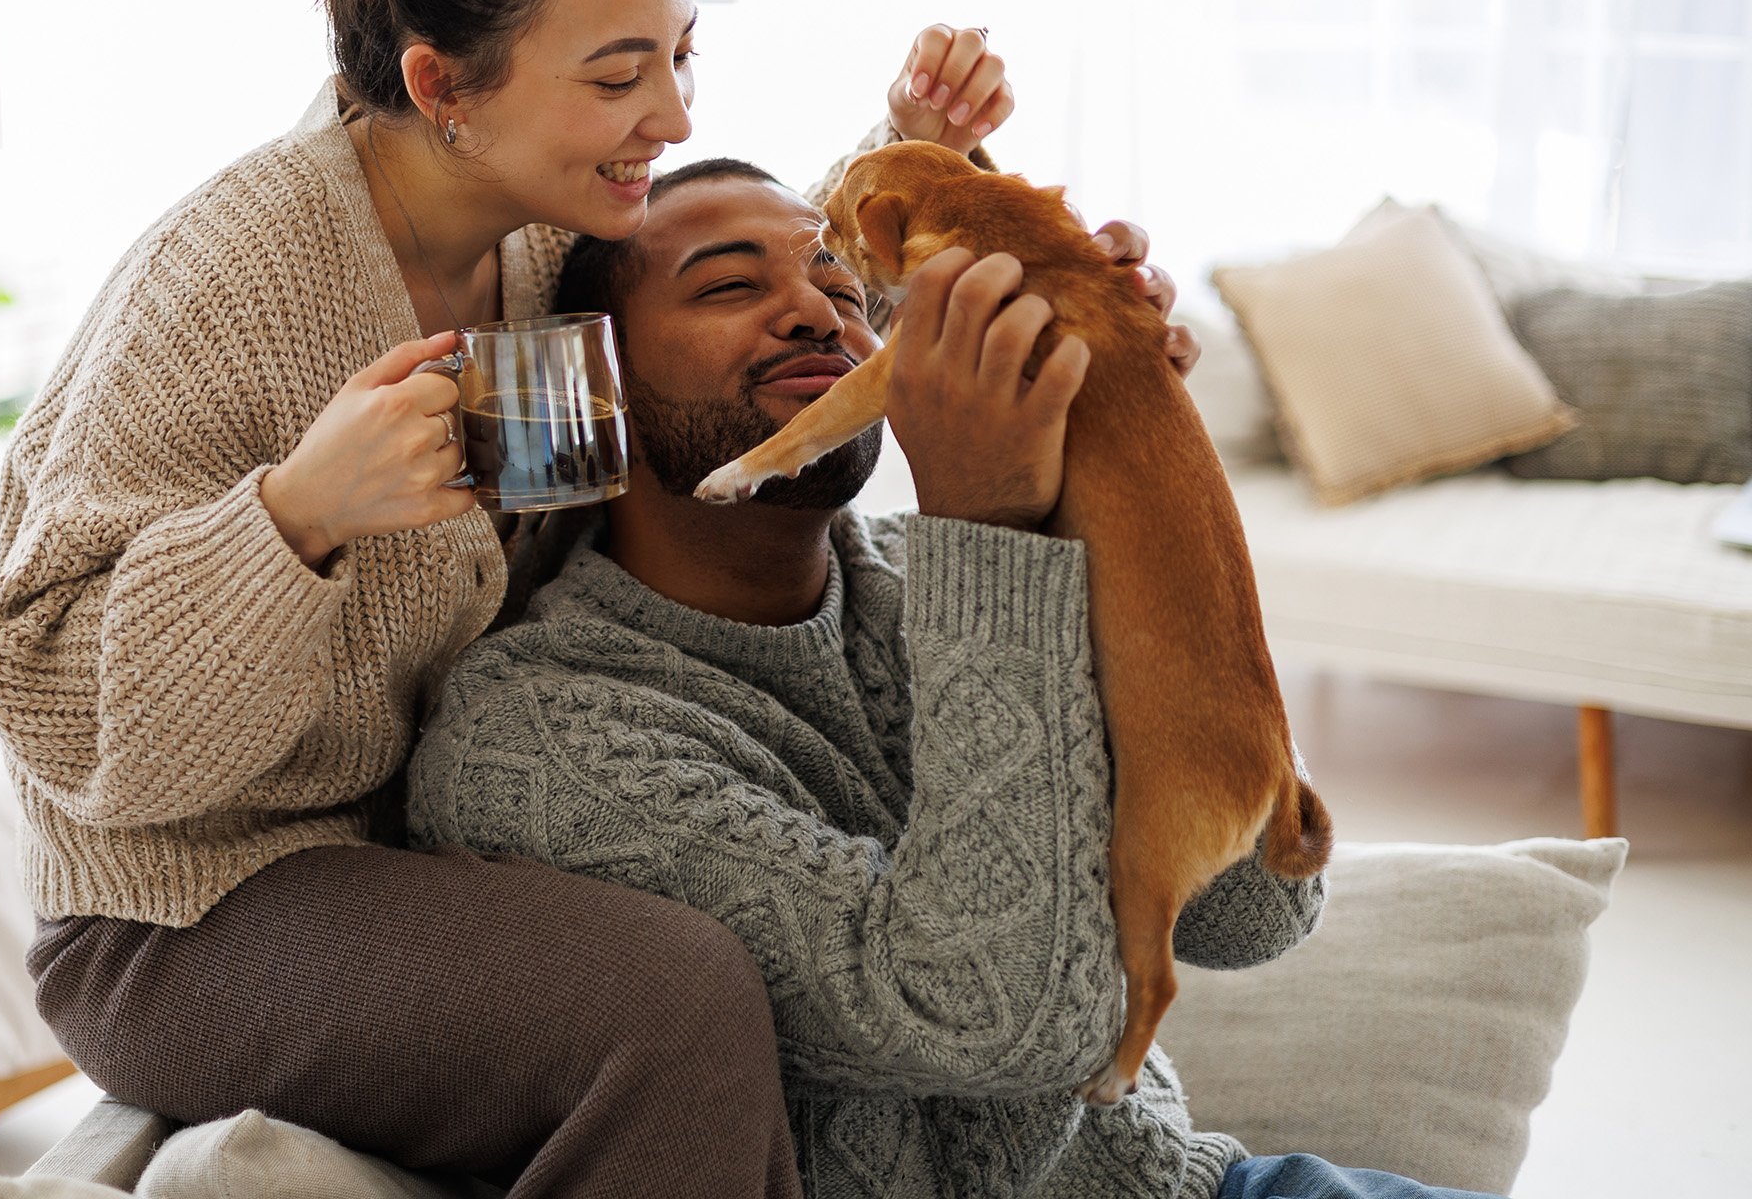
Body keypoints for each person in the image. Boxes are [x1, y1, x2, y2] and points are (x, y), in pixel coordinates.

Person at [0, 0, 1180, 1198]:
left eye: (679, 56)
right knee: (671, 1002)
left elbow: (703, 310)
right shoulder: (224, 289)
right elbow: (58, 712)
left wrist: (907, 158)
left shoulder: (544, 230)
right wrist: (290, 522)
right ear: (438, 87)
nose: (671, 116)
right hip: (193, 904)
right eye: (619, 77)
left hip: (424, 825)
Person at [404, 160, 1497, 1199]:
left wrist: (1116, 471)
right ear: (599, 378)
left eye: (840, 280)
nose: (817, 313)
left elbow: (1258, 909)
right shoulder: (539, 732)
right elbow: (989, 1015)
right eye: (733, 284)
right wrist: (987, 534)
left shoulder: (950, 567)